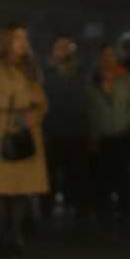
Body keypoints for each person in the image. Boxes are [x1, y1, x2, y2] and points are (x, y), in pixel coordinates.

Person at [0, 23, 49, 257]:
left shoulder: (30, 68)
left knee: (22, 188)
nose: (22, 43)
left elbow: (42, 100)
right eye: (17, 38)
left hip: (26, 133)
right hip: (4, 133)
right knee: (1, 189)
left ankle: (16, 234)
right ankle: (0, 236)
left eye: (24, 38)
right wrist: (23, 101)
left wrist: (35, 114)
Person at [86, 45, 130, 230]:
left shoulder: (126, 79)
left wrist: (125, 122)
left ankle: (127, 211)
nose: (108, 59)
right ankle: (104, 211)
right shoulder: (93, 81)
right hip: (101, 136)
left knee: (124, 175)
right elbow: (88, 108)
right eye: (105, 55)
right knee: (102, 176)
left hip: (122, 134)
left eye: (112, 55)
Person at [43, 35, 93, 235]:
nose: (63, 50)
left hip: (76, 131)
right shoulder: (46, 73)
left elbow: (86, 101)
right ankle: (46, 216)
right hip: (53, 131)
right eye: (59, 46)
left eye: (66, 46)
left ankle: (80, 216)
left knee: (78, 177)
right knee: (50, 178)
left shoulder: (80, 73)